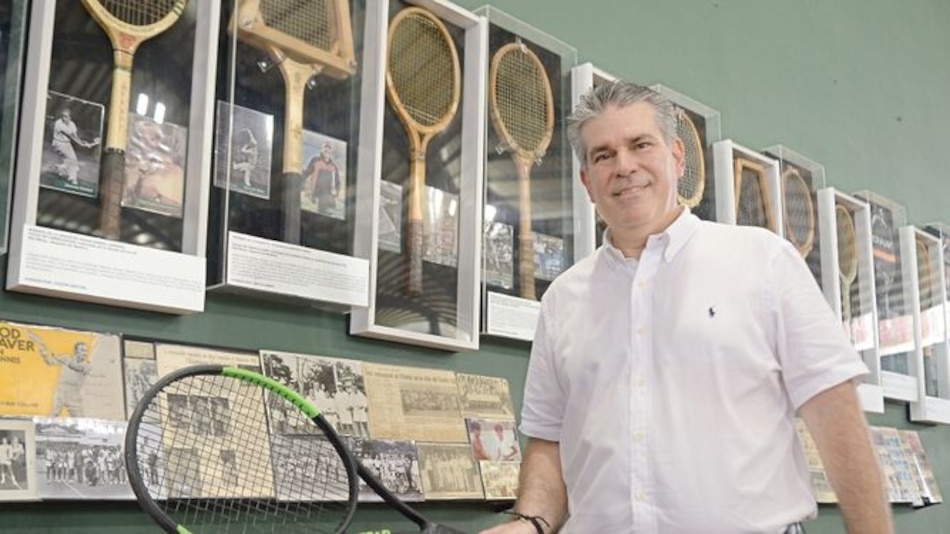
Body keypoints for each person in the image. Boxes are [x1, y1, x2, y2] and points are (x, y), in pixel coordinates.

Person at [481, 81, 892, 534]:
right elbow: (550, 442)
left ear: (677, 157)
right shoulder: (561, 299)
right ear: (586, 181)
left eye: (640, 145)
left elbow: (837, 417)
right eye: (603, 155)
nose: (624, 166)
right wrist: (532, 523)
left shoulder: (765, 262)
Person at [39, 340, 92, 417]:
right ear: (75, 351)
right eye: (82, 350)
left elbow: (77, 368)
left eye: (86, 351)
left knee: (80, 420)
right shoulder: (66, 358)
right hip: (61, 390)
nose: (85, 353)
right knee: (54, 414)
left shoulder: (87, 365)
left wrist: (66, 362)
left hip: (74, 393)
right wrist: (44, 354)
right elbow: (50, 362)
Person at [50, 107, 98, 185]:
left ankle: (60, 168)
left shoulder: (72, 124)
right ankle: (72, 179)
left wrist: (84, 142)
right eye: (63, 116)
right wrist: (83, 144)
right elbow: (72, 137)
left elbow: (76, 136)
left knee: (70, 161)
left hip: (66, 143)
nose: (64, 118)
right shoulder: (58, 123)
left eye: (66, 116)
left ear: (70, 117)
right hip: (58, 144)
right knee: (72, 160)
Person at [306, 141, 341, 213]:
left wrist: (336, 193)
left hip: (329, 197)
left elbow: (338, 183)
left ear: (331, 151)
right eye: (325, 147)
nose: (327, 150)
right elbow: (306, 173)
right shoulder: (315, 160)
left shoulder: (334, 167)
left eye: (329, 148)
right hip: (316, 193)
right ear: (321, 149)